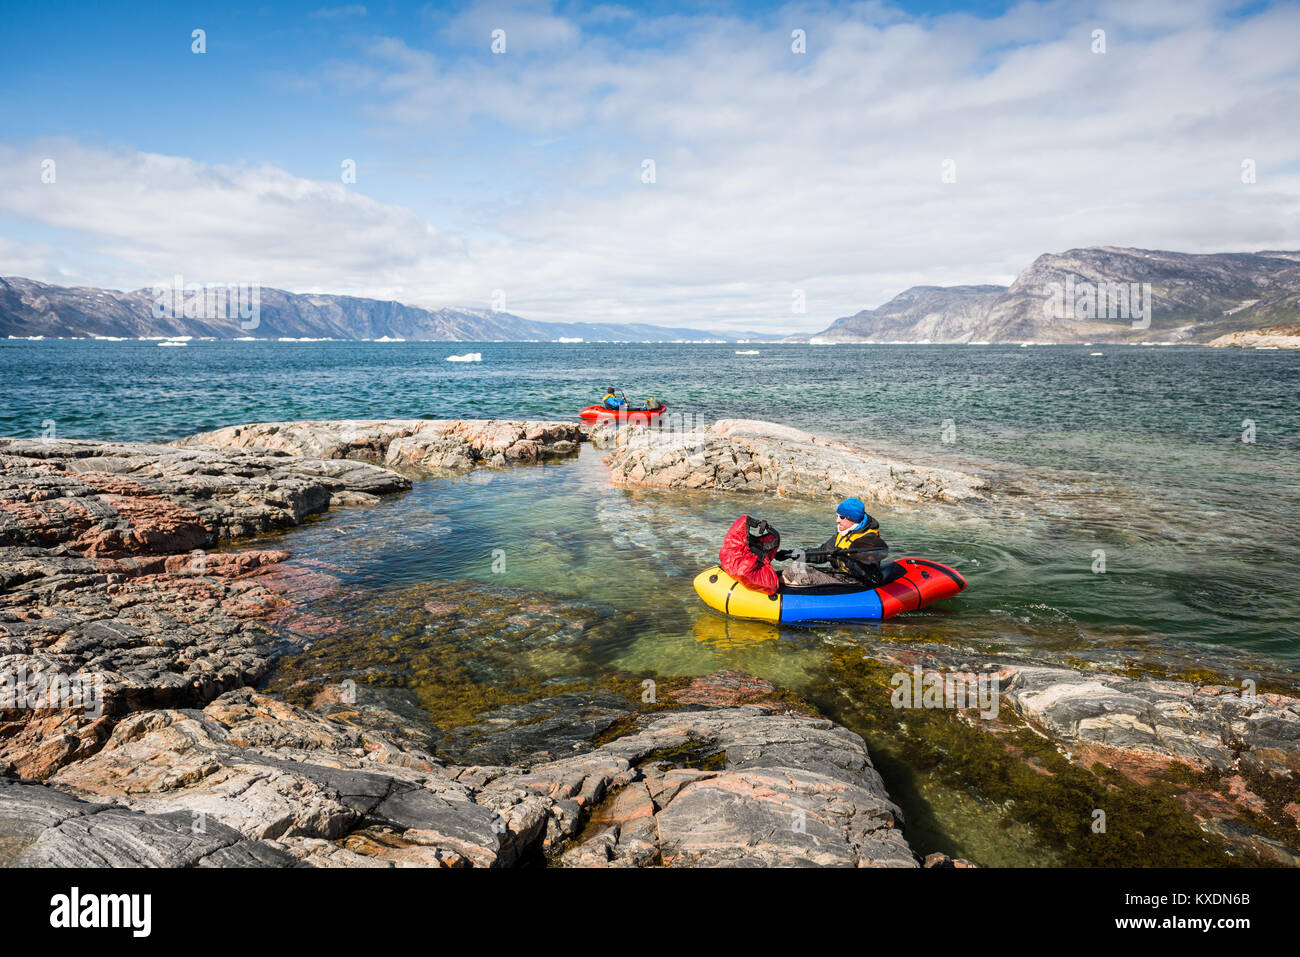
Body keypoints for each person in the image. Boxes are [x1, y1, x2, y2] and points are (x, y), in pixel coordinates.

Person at [777, 497, 887, 588]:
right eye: (837, 516)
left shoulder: (870, 541)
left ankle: (789, 601)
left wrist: (845, 558)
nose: (837, 520)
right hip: (841, 575)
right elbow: (822, 553)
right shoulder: (845, 532)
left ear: (852, 519)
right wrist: (792, 553)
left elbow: (870, 576)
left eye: (841, 517)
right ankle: (776, 592)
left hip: (855, 583)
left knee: (805, 577)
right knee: (794, 568)